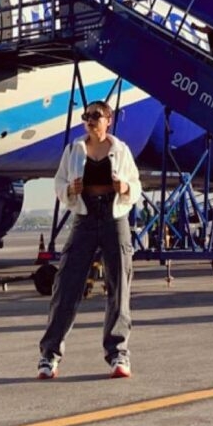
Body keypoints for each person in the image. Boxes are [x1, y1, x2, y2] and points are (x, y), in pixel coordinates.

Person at [38, 100, 142, 379]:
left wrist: (125, 187)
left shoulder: (121, 150)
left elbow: (137, 186)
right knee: (67, 285)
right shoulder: (74, 150)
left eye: (96, 115)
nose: (91, 120)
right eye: (86, 116)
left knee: (119, 286)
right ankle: (49, 355)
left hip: (114, 216)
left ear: (109, 119)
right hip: (85, 216)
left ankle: (118, 353)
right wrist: (69, 190)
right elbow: (58, 183)